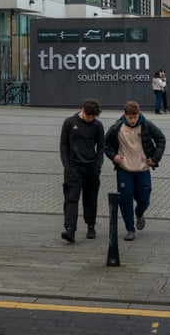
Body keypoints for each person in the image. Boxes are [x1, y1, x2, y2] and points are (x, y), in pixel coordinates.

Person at [105, 100, 166, 241]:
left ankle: (139, 212)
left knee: (144, 198)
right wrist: (114, 157)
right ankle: (130, 229)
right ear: (125, 115)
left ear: (139, 114)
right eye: (130, 117)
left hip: (143, 169)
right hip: (124, 169)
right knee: (125, 199)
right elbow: (106, 144)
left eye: (135, 117)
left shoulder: (146, 125)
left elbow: (161, 139)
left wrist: (155, 158)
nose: (133, 120)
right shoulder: (117, 127)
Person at [60, 98, 104, 243]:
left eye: (93, 117)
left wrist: (97, 166)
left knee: (90, 199)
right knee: (71, 199)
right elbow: (64, 145)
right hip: (73, 168)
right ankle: (70, 230)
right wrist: (67, 165)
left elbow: (101, 147)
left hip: (91, 167)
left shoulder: (97, 125)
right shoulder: (69, 123)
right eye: (88, 116)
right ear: (82, 111)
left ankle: (91, 226)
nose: (91, 119)